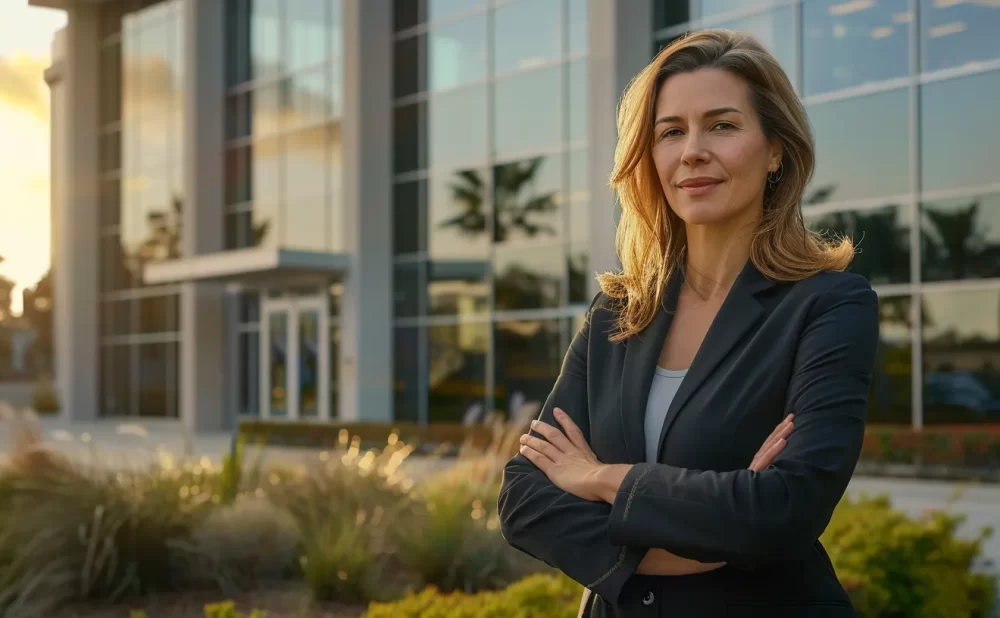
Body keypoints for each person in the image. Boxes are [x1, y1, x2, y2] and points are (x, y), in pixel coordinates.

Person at [497, 29, 880, 618]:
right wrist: (676, 553)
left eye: (722, 126)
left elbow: (782, 510)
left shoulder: (829, 305)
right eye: (671, 132)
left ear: (776, 149)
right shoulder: (617, 315)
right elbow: (525, 497)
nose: (692, 151)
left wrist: (600, 477)